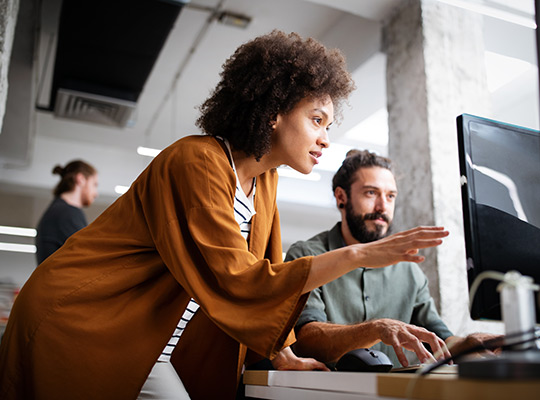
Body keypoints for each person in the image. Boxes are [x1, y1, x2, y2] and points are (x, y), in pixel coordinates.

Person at [0, 31, 449, 400]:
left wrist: (281, 353)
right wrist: (358, 256)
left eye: (327, 126)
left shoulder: (265, 181)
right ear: (273, 112)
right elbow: (238, 279)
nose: (324, 138)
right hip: (84, 320)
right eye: (316, 119)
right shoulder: (197, 161)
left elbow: (265, 277)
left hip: (147, 341)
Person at [287, 149, 496, 368]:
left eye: (390, 196)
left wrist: (470, 343)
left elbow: (439, 338)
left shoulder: (409, 269)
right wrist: (376, 329)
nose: (382, 207)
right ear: (341, 197)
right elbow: (305, 340)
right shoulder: (306, 256)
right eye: (370, 193)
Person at [35, 160, 99, 264]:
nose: (96, 194)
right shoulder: (66, 213)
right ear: (81, 179)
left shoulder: (59, 210)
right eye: (94, 184)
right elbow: (88, 256)